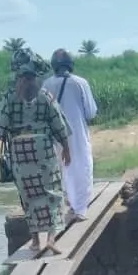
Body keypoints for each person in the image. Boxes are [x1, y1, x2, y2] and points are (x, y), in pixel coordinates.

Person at [0, 48, 71, 255]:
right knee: (52, 192)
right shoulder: (45, 96)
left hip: (20, 152)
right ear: (35, 76)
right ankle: (52, 239)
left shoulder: (9, 98)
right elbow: (59, 125)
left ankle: (35, 241)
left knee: (28, 196)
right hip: (44, 150)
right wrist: (67, 150)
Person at [42, 49, 98, 223]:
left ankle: (66, 205)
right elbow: (90, 112)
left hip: (54, 135)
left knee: (60, 170)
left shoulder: (46, 84)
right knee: (81, 168)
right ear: (70, 65)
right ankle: (79, 209)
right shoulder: (81, 83)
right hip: (77, 134)